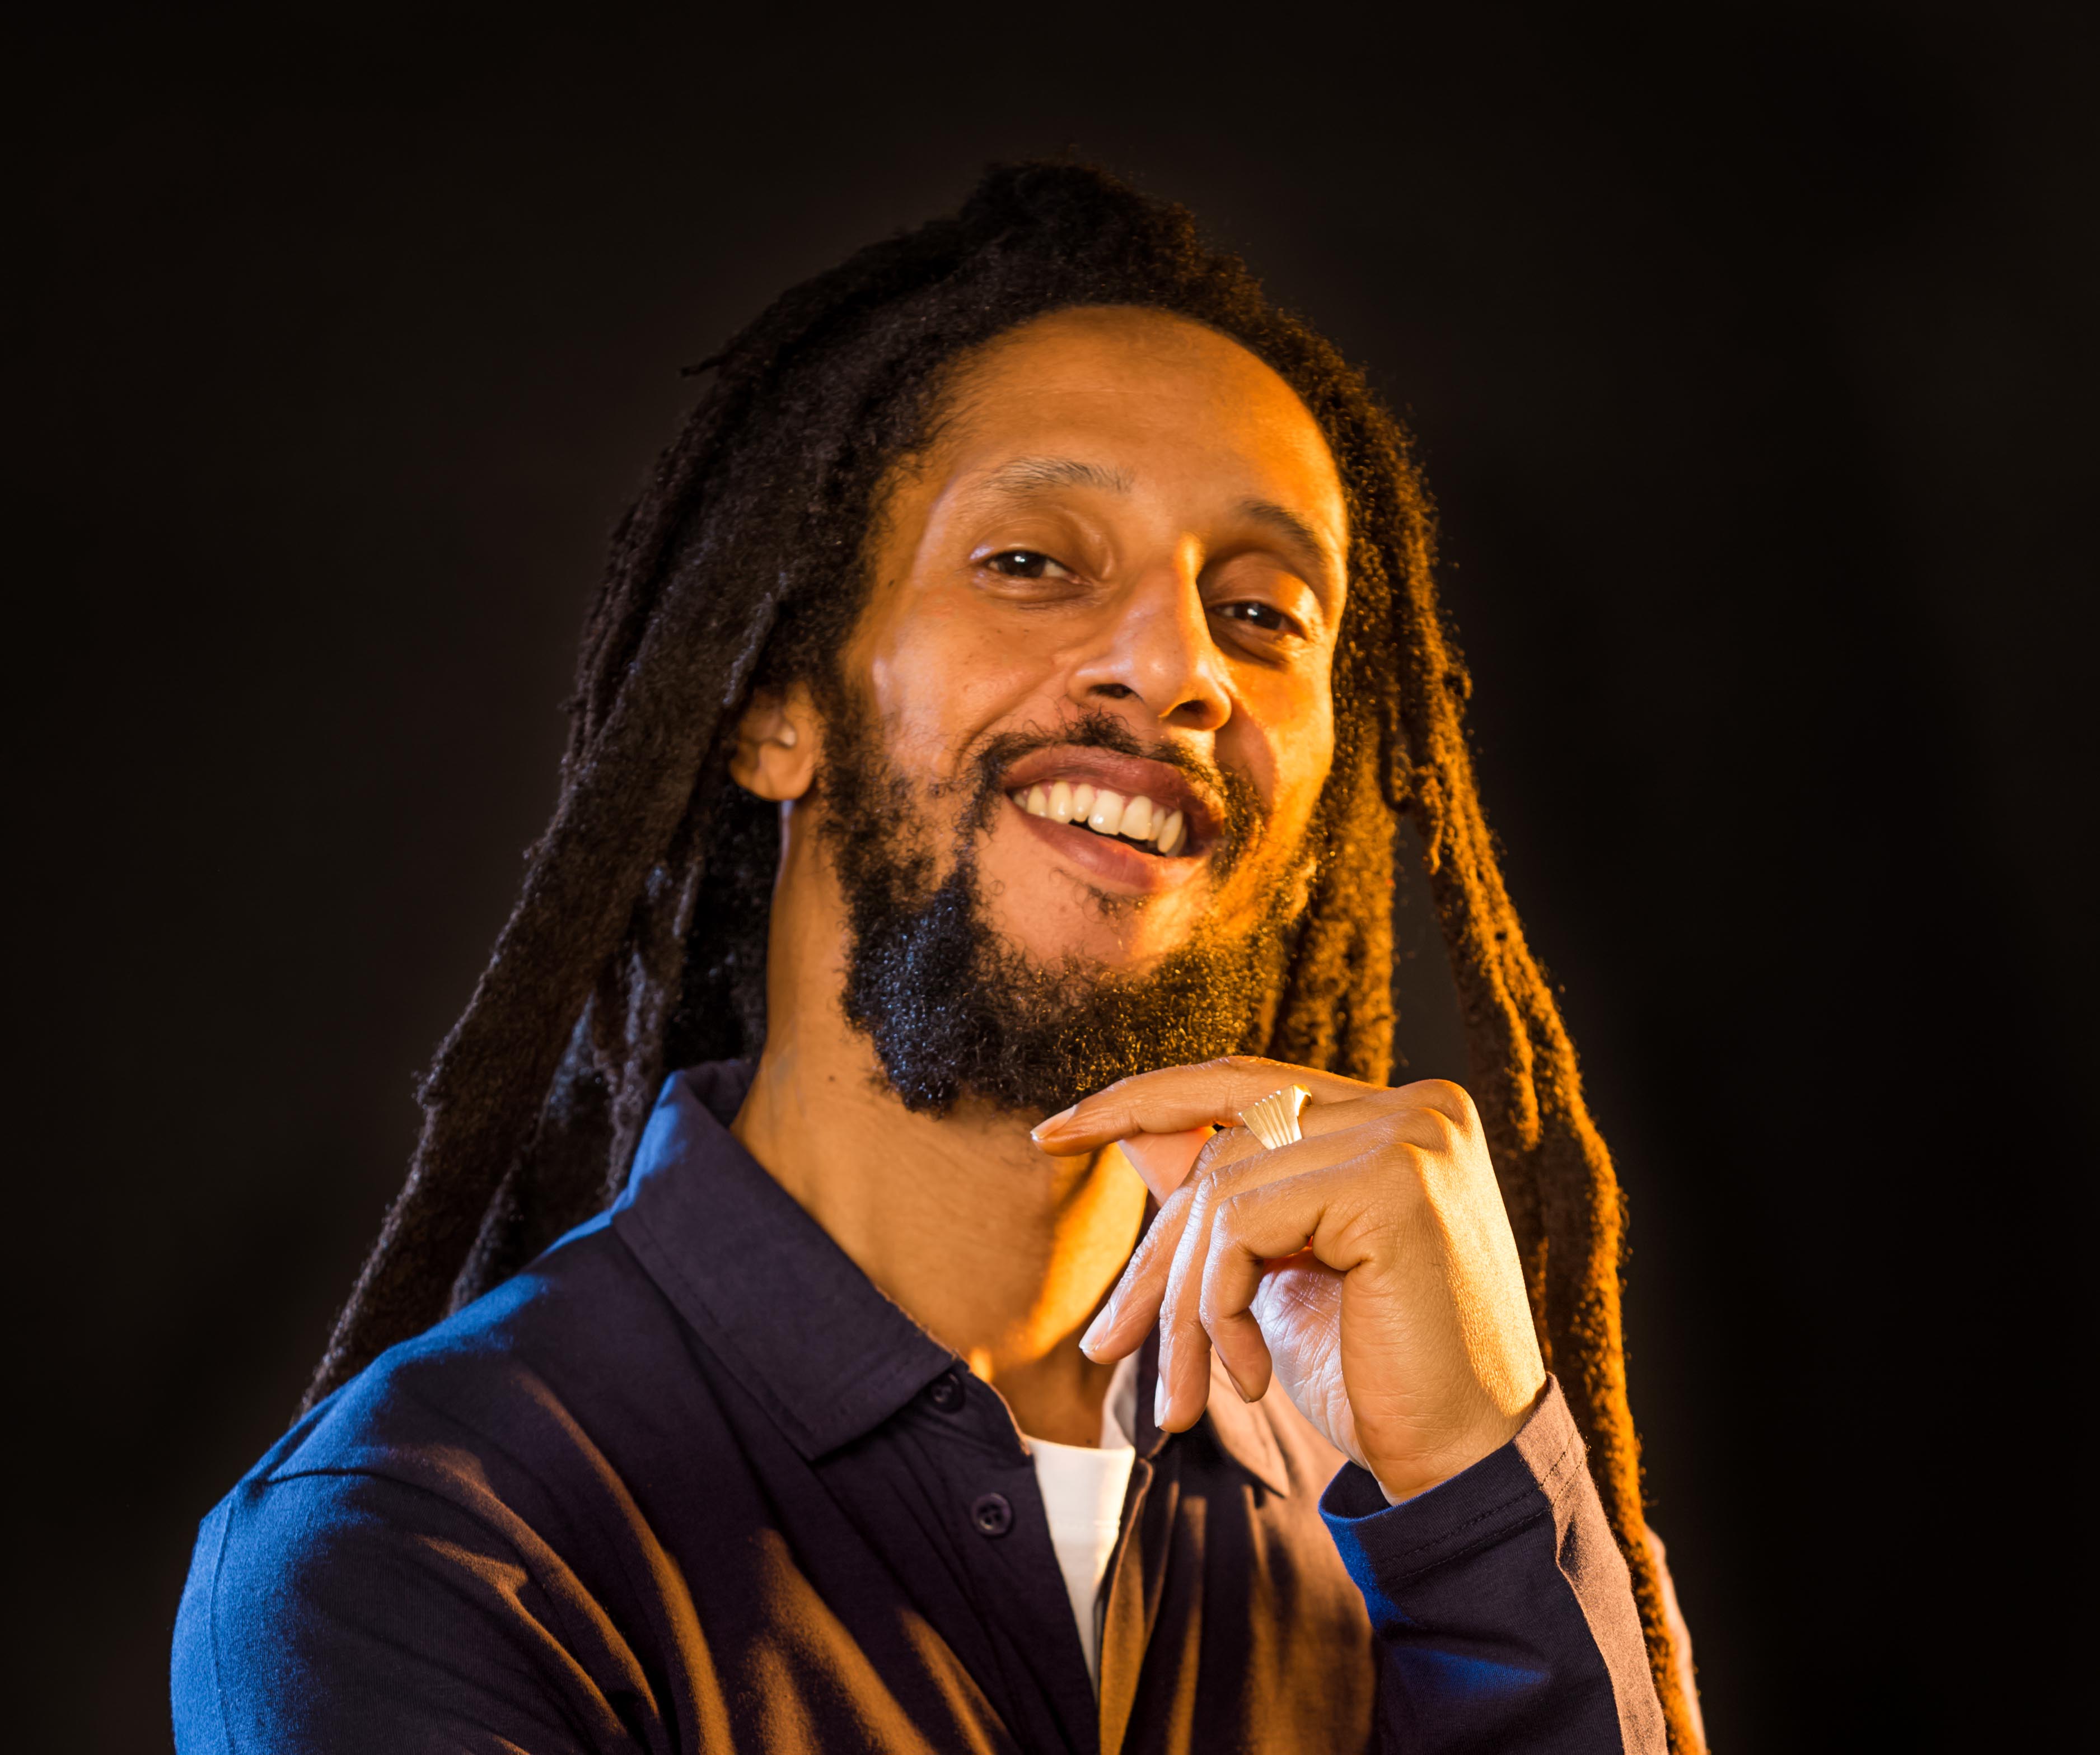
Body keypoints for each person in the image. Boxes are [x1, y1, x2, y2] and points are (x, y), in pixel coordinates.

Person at [173, 162, 1704, 1753]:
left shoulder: (1443, 1501)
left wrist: (1477, 1487)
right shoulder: (424, 1548)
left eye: (1262, 614)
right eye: (1032, 563)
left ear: (1323, 811)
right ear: (776, 708)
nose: (1178, 664)